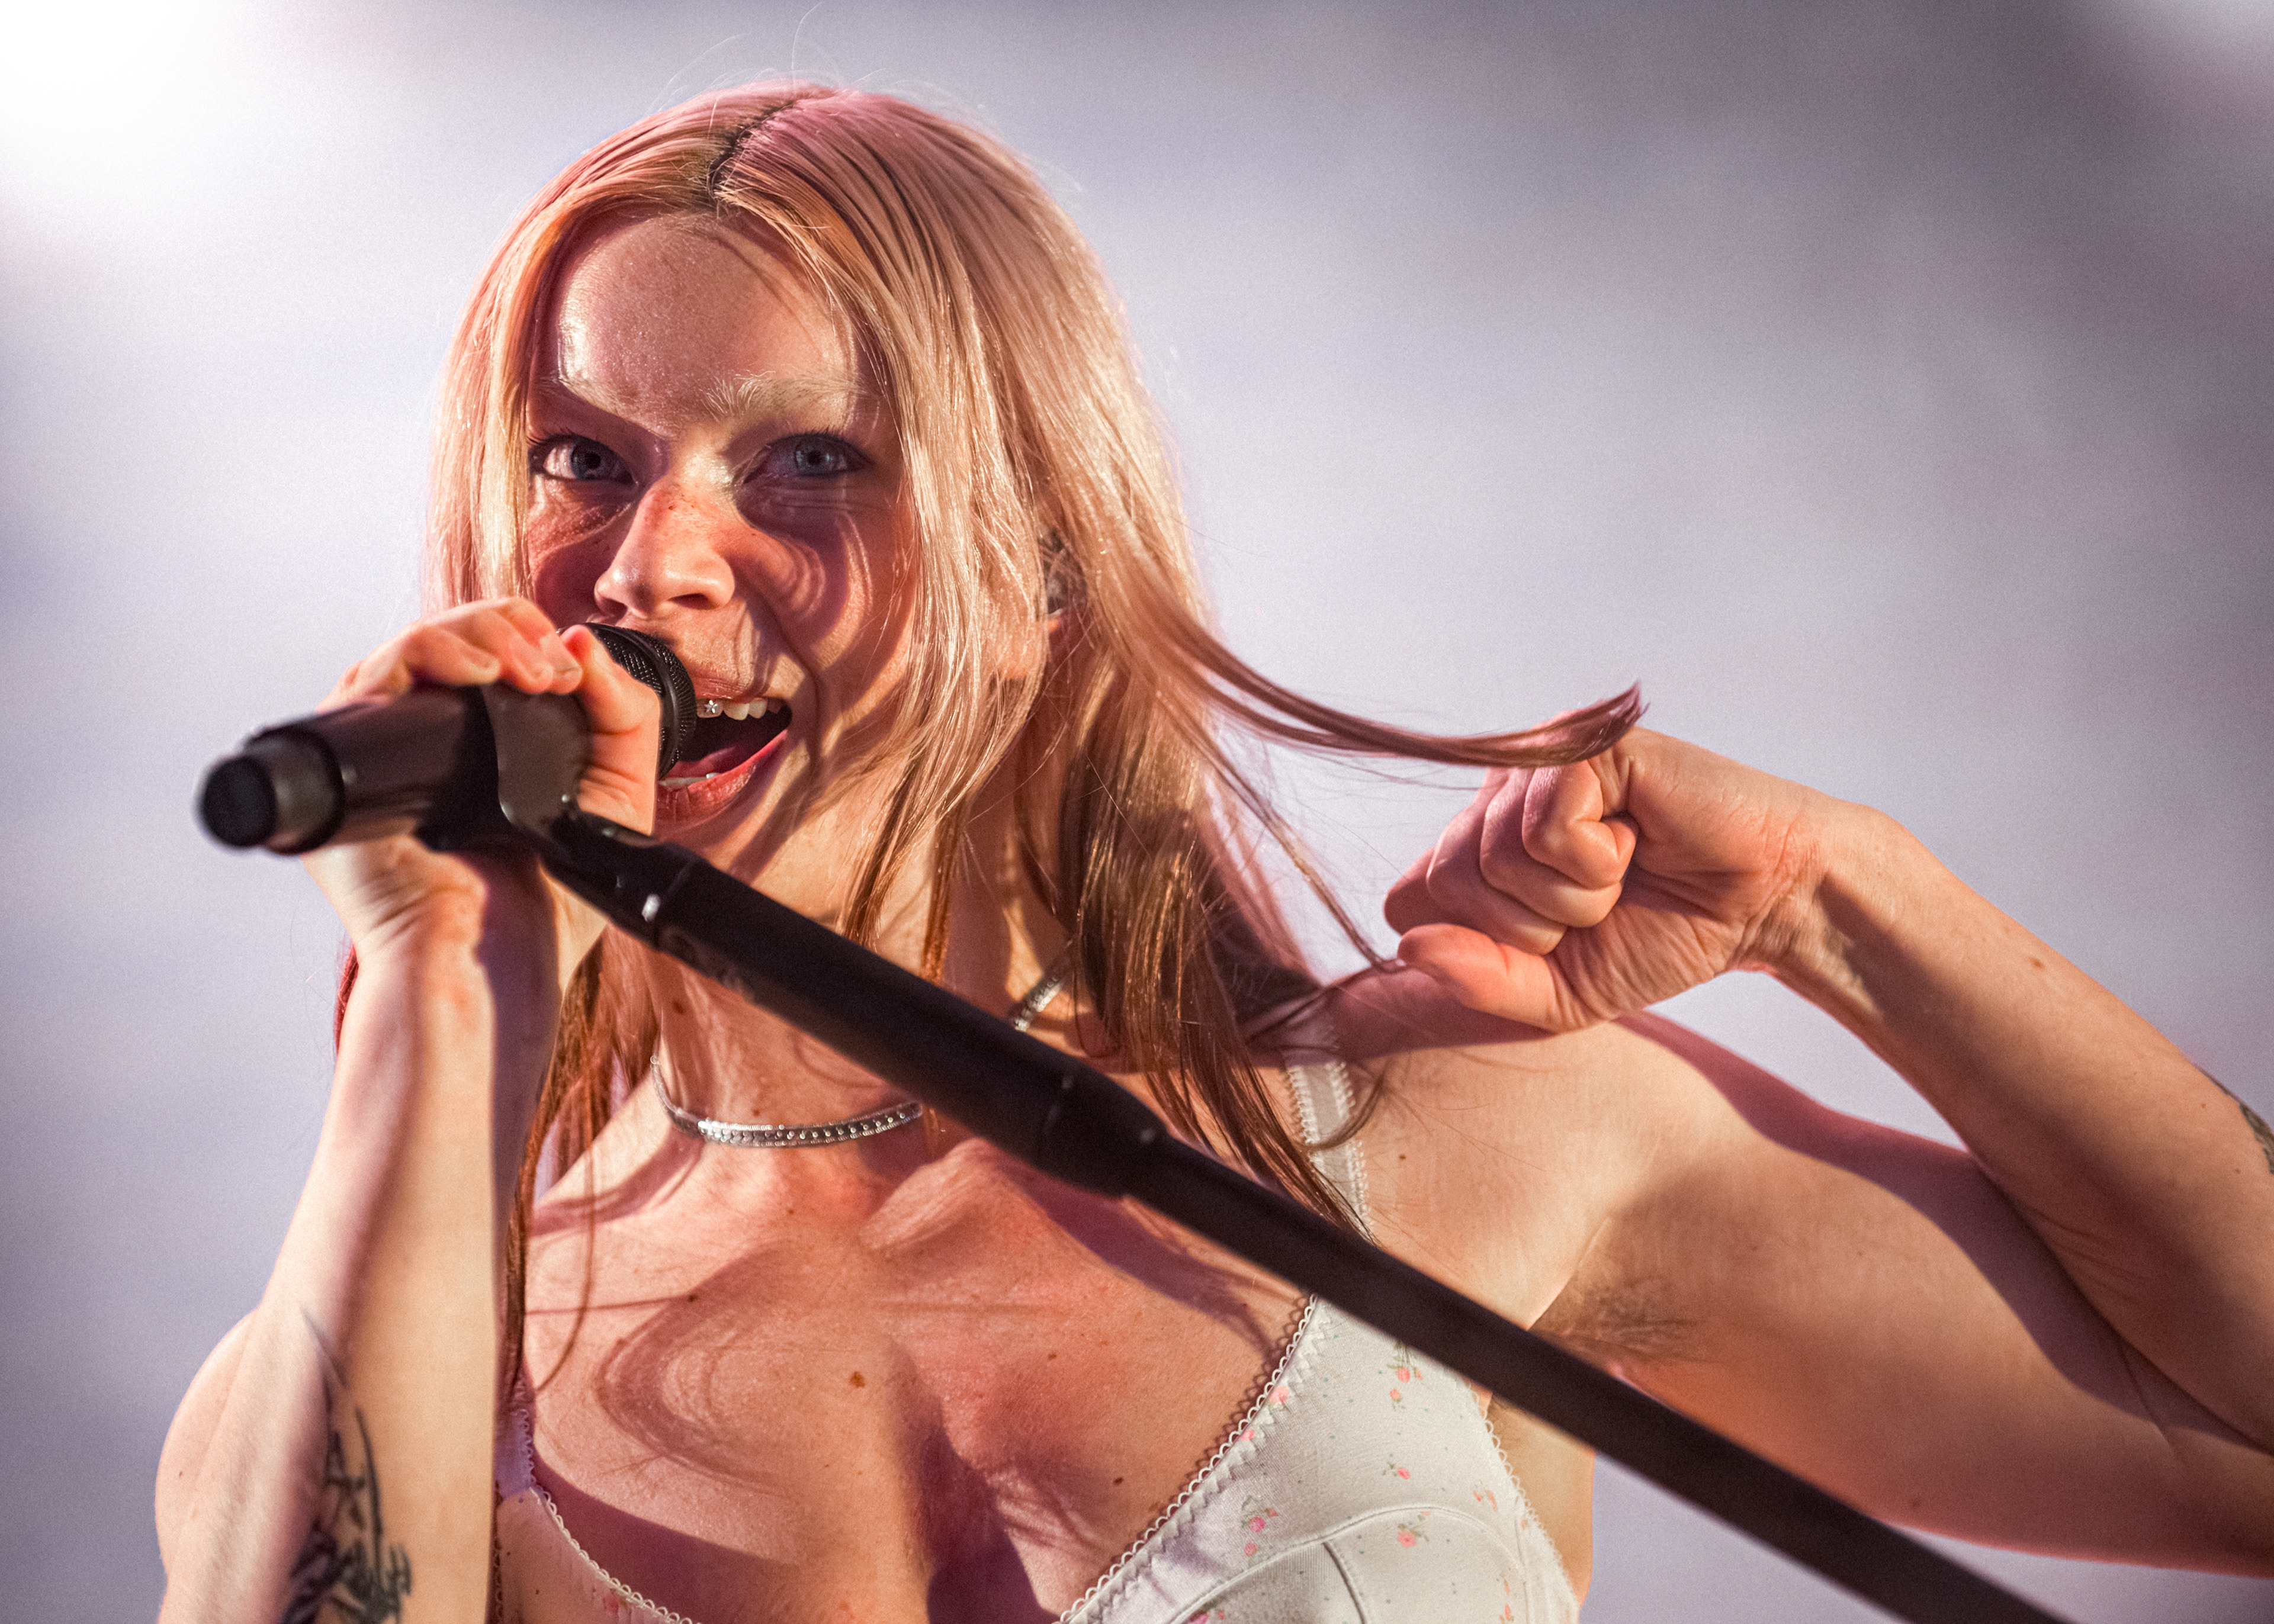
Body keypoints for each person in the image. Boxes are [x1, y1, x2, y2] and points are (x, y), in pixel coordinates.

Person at [153, 82, 2274, 1624]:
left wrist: (1841, 895)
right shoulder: (400, 1343)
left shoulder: (1456, 1127)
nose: (651, 565)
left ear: (1048, 569)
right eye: (579, 459)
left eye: (808, 457)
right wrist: (444, 992)